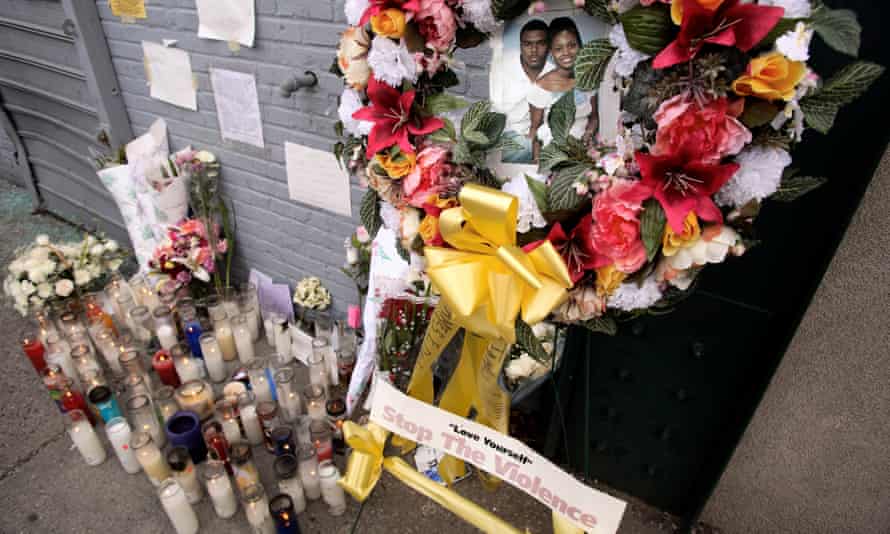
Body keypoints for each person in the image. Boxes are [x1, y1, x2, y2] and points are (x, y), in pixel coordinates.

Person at [527, 17, 599, 162]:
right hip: (553, 158)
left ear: (580, 45)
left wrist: (589, 133)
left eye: (572, 45)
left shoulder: (588, 80)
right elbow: (535, 130)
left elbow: (594, 117)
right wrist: (537, 161)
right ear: (551, 52)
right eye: (558, 48)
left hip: (583, 155)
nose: (566, 52)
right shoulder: (541, 87)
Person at [498, 19, 552, 164]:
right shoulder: (503, 71)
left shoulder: (556, 74)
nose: (534, 51)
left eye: (540, 43)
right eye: (528, 44)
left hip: (545, 141)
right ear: (521, 46)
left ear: (548, 46)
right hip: (509, 140)